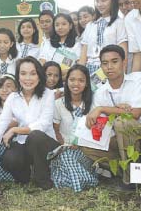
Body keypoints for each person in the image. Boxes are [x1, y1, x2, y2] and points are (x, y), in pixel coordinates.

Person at [82, 45, 141, 188]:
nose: (109, 67)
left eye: (114, 61)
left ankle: (130, 180)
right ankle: (129, 172)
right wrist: (112, 111)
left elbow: (135, 114)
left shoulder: (137, 79)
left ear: (124, 63)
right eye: (105, 63)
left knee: (123, 122)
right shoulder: (100, 92)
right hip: (118, 141)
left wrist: (103, 109)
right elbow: (101, 125)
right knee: (84, 145)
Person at [0, 56, 58, 190]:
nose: (28, 78)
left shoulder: (47, 94)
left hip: (45, 143)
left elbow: (43, 124)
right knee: (8, 160)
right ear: (18, 76)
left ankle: (42, 179)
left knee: (35, 136)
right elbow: (1, 123)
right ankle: (25, 177)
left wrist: (15, 130)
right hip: (23, 142)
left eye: (32, 73)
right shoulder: (13, 97)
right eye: (23, 73)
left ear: (39, 76)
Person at [51, 64, 98, 192]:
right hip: (64, 148)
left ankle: (76, 180)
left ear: (87, 83)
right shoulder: (58, 104)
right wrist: (64, 145)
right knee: (66, 156)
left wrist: (81, 146)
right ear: (66, 82)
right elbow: (56, 130)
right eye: (72, 80)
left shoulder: (94, 104)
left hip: (86, 151)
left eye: (81, 80)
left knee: (68, 162)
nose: (76, 84)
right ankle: (86, 180)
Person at [78, 0, 128, 75]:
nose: (99, 4)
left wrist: (121, 77)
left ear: (112, 1)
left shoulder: (119, 23)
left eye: (103, 0)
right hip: (89, 72)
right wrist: (80, 74)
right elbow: (83, 56)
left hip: (111, 71)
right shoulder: (90, 25)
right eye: (97, 1)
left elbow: (123, 52)